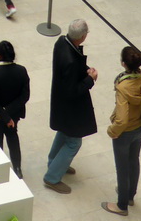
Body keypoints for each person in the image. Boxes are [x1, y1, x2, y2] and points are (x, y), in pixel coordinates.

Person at [43, 18, 98, 194]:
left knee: (64, 132)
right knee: (74, 142)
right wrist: (90, 79)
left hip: (61, 103)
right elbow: (73, 90)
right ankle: (52, 177)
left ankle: (55, 162)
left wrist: (85, 70)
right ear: (82, 37)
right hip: (70, 106)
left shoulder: (61, 42)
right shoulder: (71, 61)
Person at [102, 46, 141, 216]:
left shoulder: (123, 87)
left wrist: (112, 130)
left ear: (123, 64)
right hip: (140, 128)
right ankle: (130, 195)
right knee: (133, 161)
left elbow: (122, 119)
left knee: (122, 168)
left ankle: (122, 205)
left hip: (124, 132)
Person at [0, 40, 31, 179]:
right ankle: (17, 168)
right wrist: (9, 115)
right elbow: (25, 96)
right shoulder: (22, 71)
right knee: (13, 138)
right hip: (13, 116)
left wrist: (3, 115)